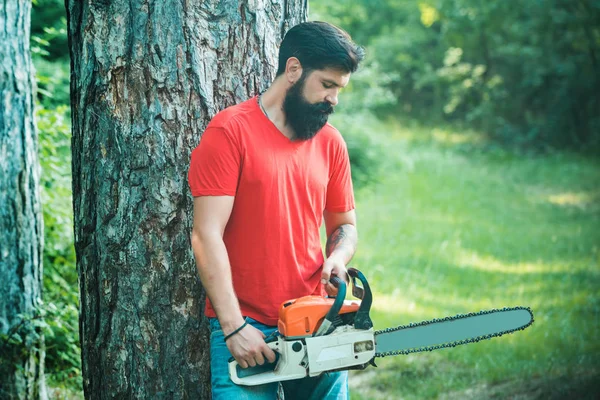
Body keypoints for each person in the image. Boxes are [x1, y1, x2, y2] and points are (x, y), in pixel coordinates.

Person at [188, 21, 365, 399]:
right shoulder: (230, 131)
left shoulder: (331, 143)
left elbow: (344, 224)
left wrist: (338, 255)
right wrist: (233, 327)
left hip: (316, 319)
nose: (334, 99)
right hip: (245, 323)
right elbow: (206, 235)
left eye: (340, 89)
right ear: (294, 70)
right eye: (327, 85)